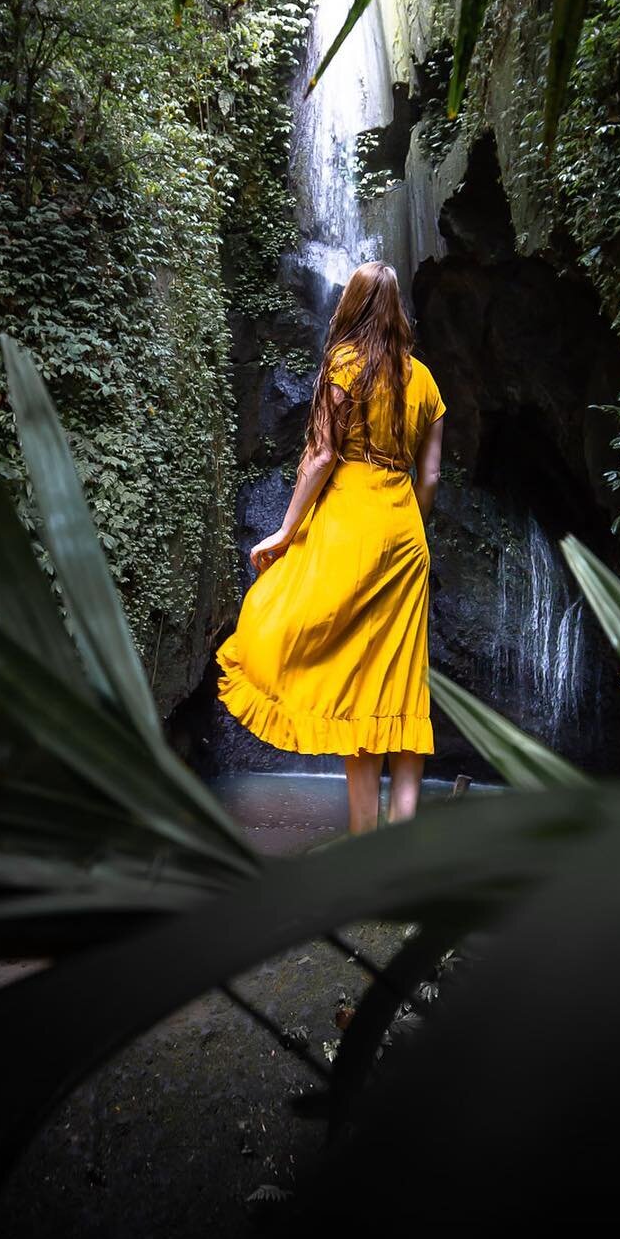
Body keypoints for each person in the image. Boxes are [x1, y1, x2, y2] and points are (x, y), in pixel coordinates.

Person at [217, 261, 445, 834]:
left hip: (350, 525)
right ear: (396, 311)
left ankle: (367, 840)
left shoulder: (345, 366)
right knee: (400, 683)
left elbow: (320, 457)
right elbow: (433, 475)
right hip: (405, 534)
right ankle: (405, 834)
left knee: (346, 672)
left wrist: (285, 531)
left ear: (352, 307)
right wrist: (408, 524)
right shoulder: (425, 381)